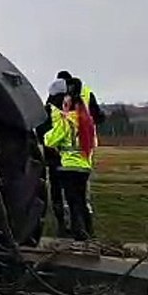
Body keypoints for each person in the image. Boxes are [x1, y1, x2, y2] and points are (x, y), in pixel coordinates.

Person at [43, 82, 97, 241]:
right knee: (81, 201)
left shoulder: (66, 121)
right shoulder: (87, 122)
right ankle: (89, 231)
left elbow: (51, 140)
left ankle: (78, 234)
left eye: (65, 104)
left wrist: (48, 135)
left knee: (72, 202)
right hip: (84, 166)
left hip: (69, 167)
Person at [36, 79, 71, 238]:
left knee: (58, 192)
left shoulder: (45, 111)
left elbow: (40, 133)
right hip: (67, 159)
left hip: (54, 159)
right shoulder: (68, 109)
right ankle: (70, 225)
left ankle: (62, 224)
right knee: (70, 193)